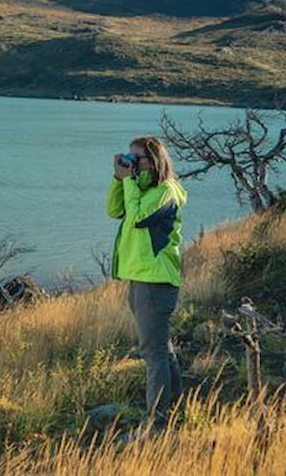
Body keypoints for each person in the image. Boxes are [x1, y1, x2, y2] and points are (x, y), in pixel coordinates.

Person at [108, 134, 187, 431]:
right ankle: (176, 409)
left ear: (154, 160)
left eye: (136, 159)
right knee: (162, 350)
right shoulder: (140, 188)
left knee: (153, 354)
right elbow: (115, 211)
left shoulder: (168, 191)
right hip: (140, 278)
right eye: (128, 158)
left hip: (156, 280)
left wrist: (128, 182)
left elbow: (140, 217)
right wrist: (119, 180)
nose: (132, 164)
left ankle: (156, 423)